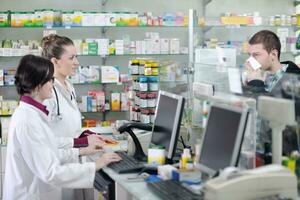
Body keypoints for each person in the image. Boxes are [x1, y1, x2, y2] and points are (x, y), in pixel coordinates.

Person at [3, 55, 121, 200]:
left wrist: (82, 150)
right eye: (50, 80)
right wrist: (95, 165)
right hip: (30, 194)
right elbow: (51, 172)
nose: (53, 85)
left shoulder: (34, 114)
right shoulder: (28, 121)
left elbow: (49, 151)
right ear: (38, 83)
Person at [41, 34, 115, 199]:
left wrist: (88, 136)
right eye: (72, 57)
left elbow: (68, 126)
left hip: (75, 163)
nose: (77, 62)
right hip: (58, 169)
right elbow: (47, 140)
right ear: (55, 61)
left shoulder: (69, 85)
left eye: (77, 57)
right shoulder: (47, 94)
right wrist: (81, 144)